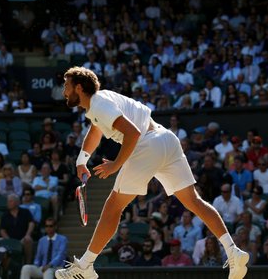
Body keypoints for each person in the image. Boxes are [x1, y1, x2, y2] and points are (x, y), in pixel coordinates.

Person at [55, 67, 248, 279]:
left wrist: (116, 164)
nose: (64, 91)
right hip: (167, 139)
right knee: (194, 201)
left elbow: (132, 133)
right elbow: (95, 131)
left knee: (113, 206)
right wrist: (82, 161)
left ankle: (85, 266)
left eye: (66, 86)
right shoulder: (100, 103)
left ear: (79, 88)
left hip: (147, 144)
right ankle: (233, 251)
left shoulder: (100, 104)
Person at [0, 193, 35, 263]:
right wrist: (8, 240)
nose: (8, 203)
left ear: (17, 202)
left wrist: (28, 234)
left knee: (28, 240)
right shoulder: (5, 215)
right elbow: (2, 230)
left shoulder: (25, 212)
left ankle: (28, 264)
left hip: (23, 239)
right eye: (8, 201)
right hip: (9, 239)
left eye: (10, 201)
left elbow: (31, 223)